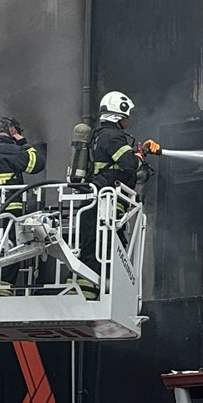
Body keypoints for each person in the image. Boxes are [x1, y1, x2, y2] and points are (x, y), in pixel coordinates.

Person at [75, 90, 160, 297]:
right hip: (105, 205)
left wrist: (142, 153)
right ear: (119, 114)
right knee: (100, 251)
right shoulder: (112, 136)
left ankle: (92, 293)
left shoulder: (101, 135)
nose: (129, 119)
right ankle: (88, 298)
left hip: (101, 206)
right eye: (127, 114)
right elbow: (129, 163)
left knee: (100, 251)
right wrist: (141, 153)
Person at [0, 115, 47, 294]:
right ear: (13, 130)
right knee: (12, 248)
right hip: (10, 208)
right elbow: (36, 164)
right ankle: (2, 287)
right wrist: (24, 143)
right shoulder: (10, 150)